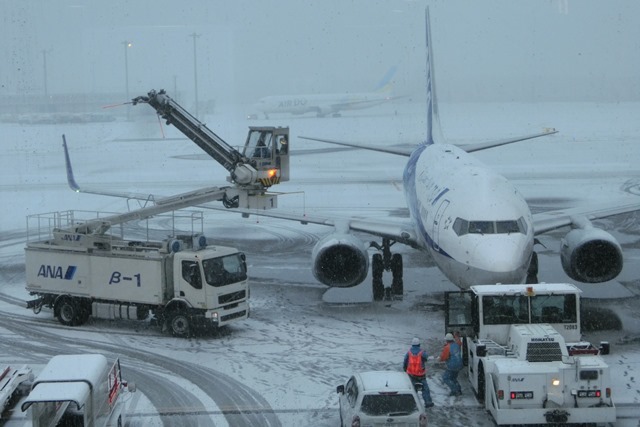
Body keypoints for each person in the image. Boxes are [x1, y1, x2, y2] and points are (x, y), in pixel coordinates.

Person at [403, 337, 434, 408]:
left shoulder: (409, 352)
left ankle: (411, 404)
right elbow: (426, 358)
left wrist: (405, 369)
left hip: (411, 375)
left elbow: (405, 361)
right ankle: (428, 402)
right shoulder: (422, 352)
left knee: (412, 389)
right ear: (419, 344)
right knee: (425, 389)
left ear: (412, 345)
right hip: (421, 375)